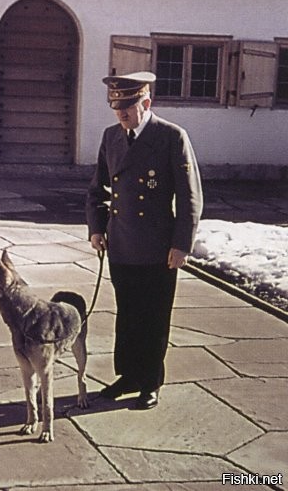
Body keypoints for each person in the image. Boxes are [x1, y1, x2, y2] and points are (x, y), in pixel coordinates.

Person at [86, 71, 202, 410]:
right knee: (128, 313)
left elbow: (190, 197)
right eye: (117, 109)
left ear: (146, 103)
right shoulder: (111, 137)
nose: (122, 115)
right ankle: (129, 375)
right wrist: (96, 227)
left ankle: (150, 381)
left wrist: (181, 244)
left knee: (154, 316)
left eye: (128, 108)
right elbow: (97, 189)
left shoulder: (170, 137)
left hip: (157, 247)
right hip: (121, 243)